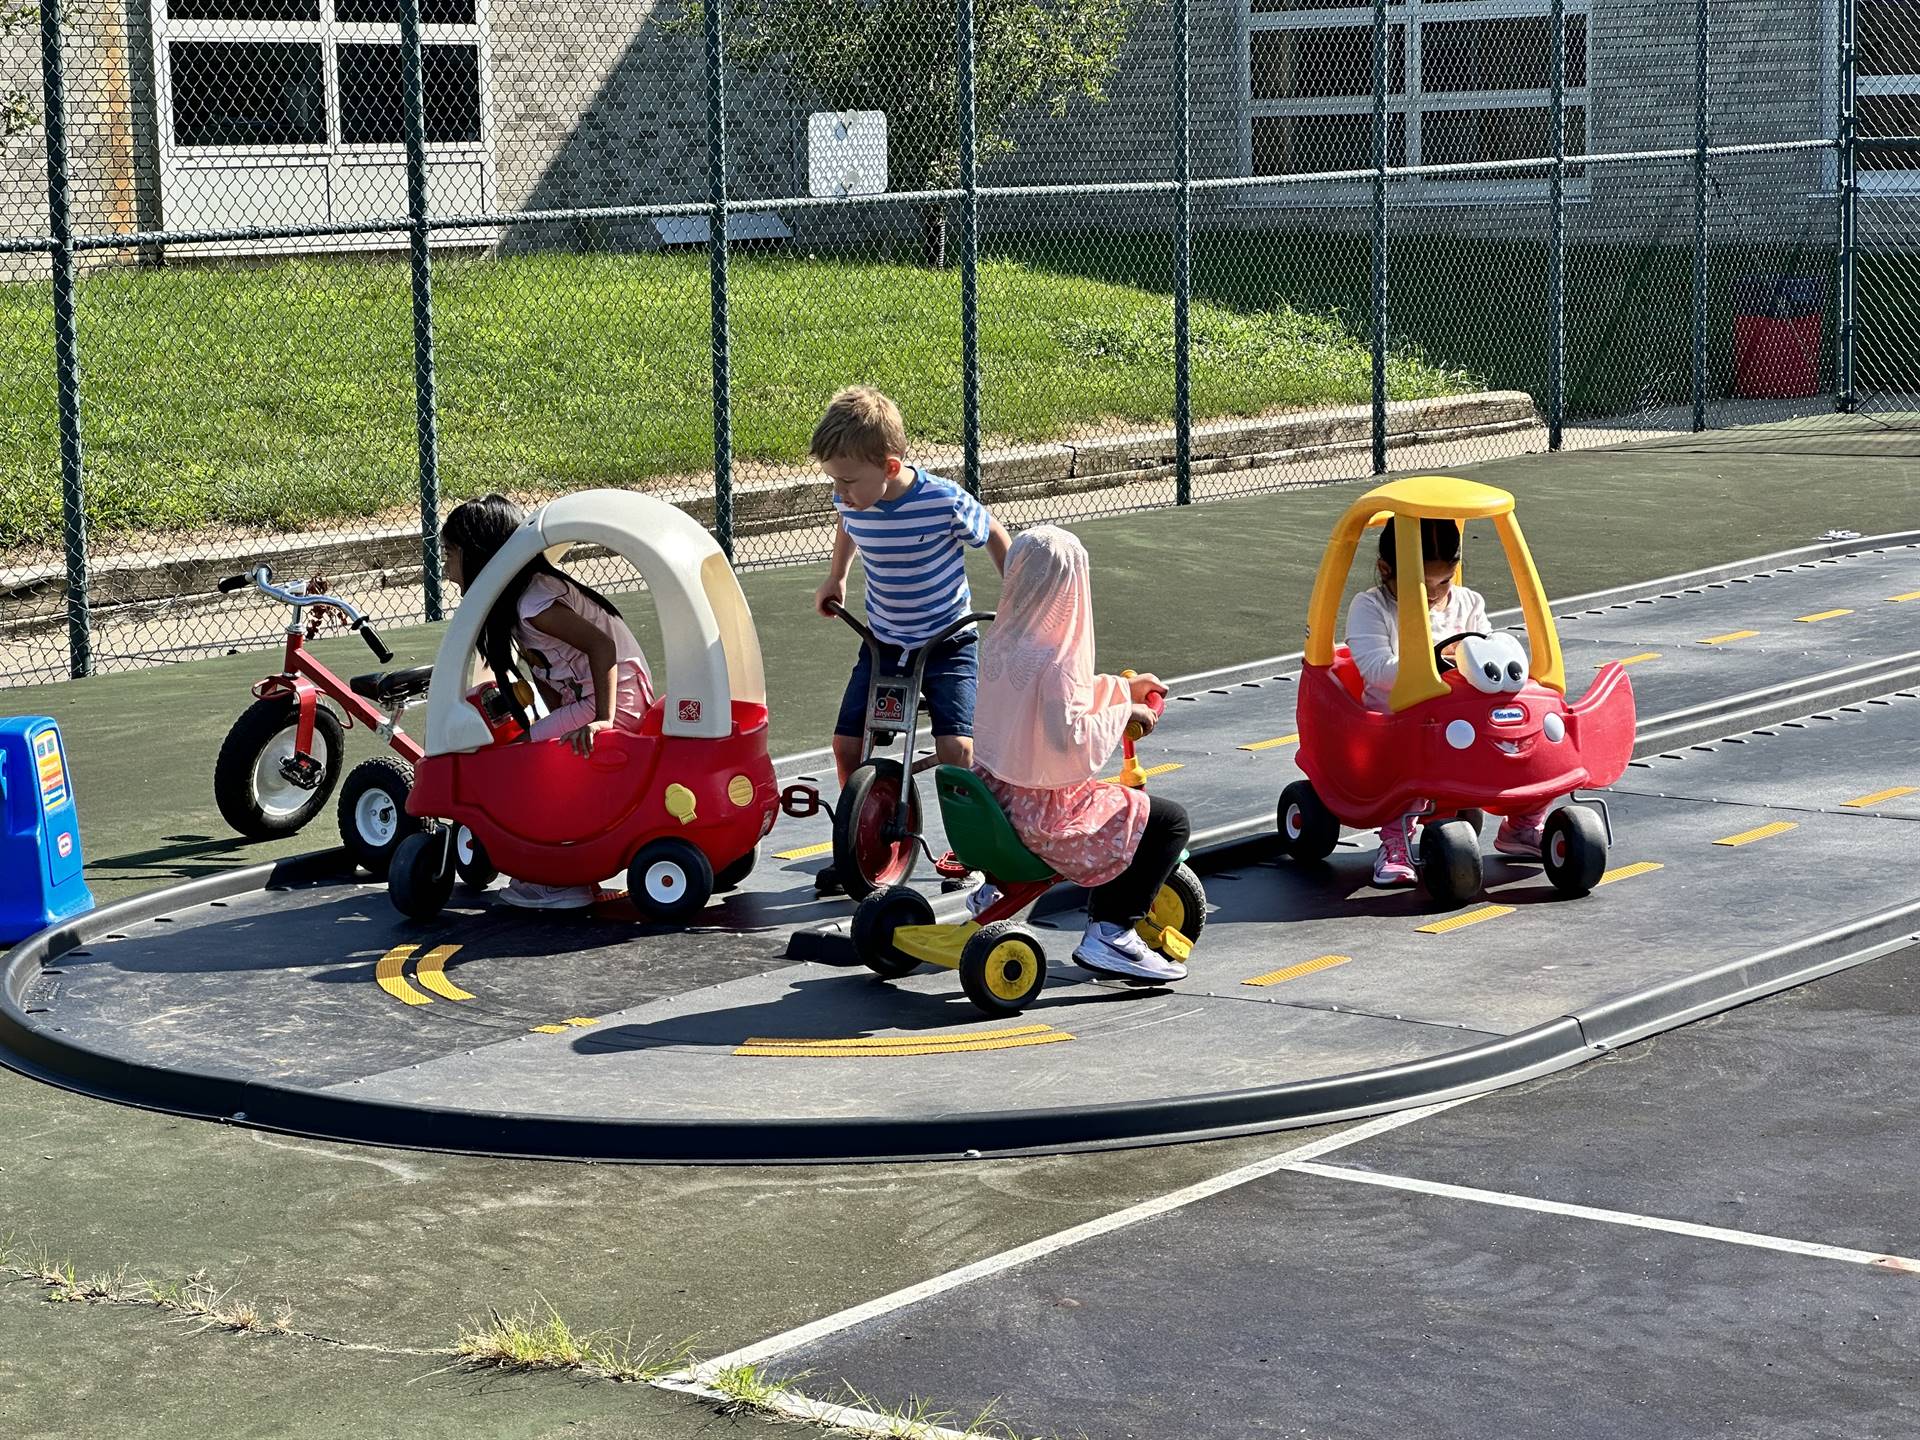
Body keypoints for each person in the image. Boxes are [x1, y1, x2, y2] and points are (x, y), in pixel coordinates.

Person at [810, 386, 1011, 894]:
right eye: (833, 481)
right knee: (845, 744)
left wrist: (1015, 596)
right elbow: (847, 524)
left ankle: (970, 847)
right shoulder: (856, 499)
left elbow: (993, 533)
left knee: (955, 748)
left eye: (848, 481)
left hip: (947, 639)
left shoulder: (941, 501)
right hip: (884, 640)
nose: (840, 493)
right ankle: (858, 840)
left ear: (891, 465)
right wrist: (837, 578)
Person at [970, 527, 1189, 984]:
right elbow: (1065, 732)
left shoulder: (1002, 643)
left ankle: (995, 889)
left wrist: (1121, 688)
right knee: (1167, 821)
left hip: (993, 801)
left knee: (1124, 812)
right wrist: (1124, 713)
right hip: (1042, 817)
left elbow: (1045, 702)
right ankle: (1110, 931)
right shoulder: (1058, 657)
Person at [440, 494, 655, 911]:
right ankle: (568, 868)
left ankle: (557, 878)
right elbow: (551, 672)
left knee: (521, 766)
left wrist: (603, 721)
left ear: (477, 555)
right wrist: (556, 724)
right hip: (598, 696)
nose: (446, 569)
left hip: (615, 698)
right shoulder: (514, 605)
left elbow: (602, 645)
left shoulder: (533, 603)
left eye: (450, 555)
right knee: (538, 753)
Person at [1347, 516, 1548, 886]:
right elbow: (1376, 668)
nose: (1436, 593)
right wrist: (1440, 663)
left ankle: (1523, 823)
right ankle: (1395, 841)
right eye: (1423, 585)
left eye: (1445, 581)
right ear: (1386, 569)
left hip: (1463, 716)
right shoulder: (1371, 607)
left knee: (1529, 739)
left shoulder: (1468, 603)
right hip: (1397, 718)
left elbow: (1485, 653)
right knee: (1414, 757)